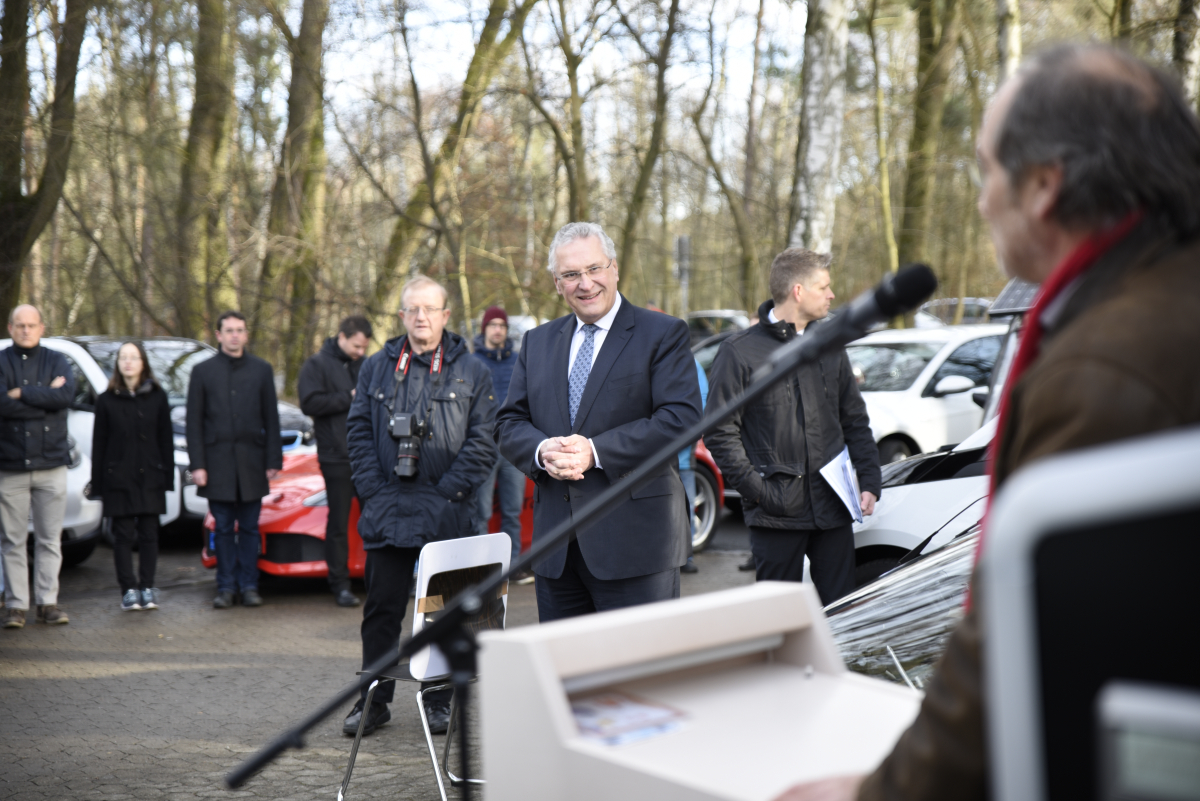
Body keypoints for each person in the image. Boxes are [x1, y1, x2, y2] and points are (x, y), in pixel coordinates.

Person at [773, 44, 1200, 801]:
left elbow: (1020, 646)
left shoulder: (1104, 370)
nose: (979, 200)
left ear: (1043, 186)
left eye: (986, 169)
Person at [495, 222, 702, 623]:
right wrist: (541, 450)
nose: (585, 284)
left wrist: (595, 452)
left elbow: (681, 419)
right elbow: (509, 422)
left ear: (615, 269)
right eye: (571, 275)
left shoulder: (662, 333)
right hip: (556, 551)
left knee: (636, 677)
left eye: (594, 269)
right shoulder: (537, 342)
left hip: (637, 546)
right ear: (557, 283)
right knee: (565, 679)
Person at [342, 276, 496, 738]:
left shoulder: (471, 370)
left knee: (445, 611)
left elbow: (484, 441)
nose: (421, 317)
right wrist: (373, 492)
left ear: (446, 316)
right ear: (403, 315)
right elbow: (357, 435)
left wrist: (446, 492)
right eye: (413, 309)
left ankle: (438, 700)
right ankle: (373, 700)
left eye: (430, 309)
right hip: (387, 507)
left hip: (448, 509)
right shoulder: (375, 369)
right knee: (382, 612)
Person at [705, 249, 881, 607]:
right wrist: (760, 493)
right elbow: (720, 433)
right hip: (776, 515)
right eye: (824, 287)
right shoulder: (739, 352)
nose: (832, 295)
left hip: (832, 507)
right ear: (798, 291)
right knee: (777, 620)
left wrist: (870, 479)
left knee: (842, 612)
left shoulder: (830, 343)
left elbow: (853, 418)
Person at [186, 311, 283, 610]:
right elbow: (194, 422)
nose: (234, 335)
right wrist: (198, 464)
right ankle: (226, 587)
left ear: (246, 334)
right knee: (224, 528)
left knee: (251, 528)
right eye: (228, 330)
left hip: (253, 462)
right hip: (217, 465)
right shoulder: (202, 372)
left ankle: (250, 586)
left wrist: (273, 459)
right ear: (218, 335)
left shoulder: (261, 370)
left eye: (239, 330)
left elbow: (271, 417)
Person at [0, 305, 75, 629]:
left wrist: (22, 394)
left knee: (49, 539)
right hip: (11, 465)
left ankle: (48, 603)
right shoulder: (1, 361)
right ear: (10, 327)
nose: (26, 330)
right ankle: (16, 606)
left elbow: (67, 397)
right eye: (20, 325)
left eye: (32, 325)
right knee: (12, 540)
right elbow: (0, 404)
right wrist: (45, 398)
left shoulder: (58, 359)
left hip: (51, 464)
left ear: (42, 327)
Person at [91, 342, 173, 612]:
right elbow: (99, 444)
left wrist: (167, 477)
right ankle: (128, 589)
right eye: (123, 357)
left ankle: (147, 587)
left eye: (133, 357)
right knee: (123, 535)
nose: (128, 362)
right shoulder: (106, 400)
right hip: (118, 478)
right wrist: (99, 484)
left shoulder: (158, 396)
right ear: (117, 364)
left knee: (150, 533)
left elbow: (165, 440)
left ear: (143, 363)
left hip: (150, 476)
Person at [298, 315, 373, 607]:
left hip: (367, 455)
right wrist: (349, 396)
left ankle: (376, 578)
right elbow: (309, 403)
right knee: (339, 523)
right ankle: (340, 584)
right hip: (335, 455)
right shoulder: (316, 365)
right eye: (356, 346)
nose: (360, 352)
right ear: (341, 336)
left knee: (374, 521)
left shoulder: (367, 364)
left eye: (364, 347)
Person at [471, 306, 529, 580]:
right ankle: (483, 570)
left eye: (502, 325)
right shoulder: (472, 363)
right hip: (482, 446)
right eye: (492, 324)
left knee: (512, 511)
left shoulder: (519, 361)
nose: (497, 329)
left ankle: (512, 566)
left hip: (513, 447)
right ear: (484, 329)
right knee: (481, 511)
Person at [678, 357, 708, 574]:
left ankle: (685, 556)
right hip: (646, 456)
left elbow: (703, 397)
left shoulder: (688, 360)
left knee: (685, 505)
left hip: (681, 456)